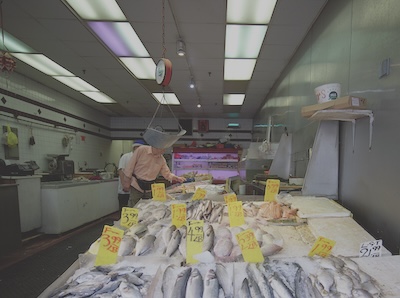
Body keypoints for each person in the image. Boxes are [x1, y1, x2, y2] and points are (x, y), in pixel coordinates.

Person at [117, 140, 144, 212]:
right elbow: (121, 171)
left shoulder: (142, 158)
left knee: (135, 210)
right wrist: (125, 186)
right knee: (125, 211)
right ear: (134, 148)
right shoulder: (126, 156)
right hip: (125, 191)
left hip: (137, 191)